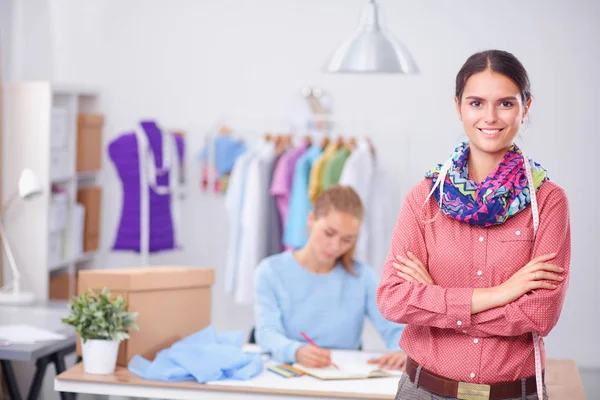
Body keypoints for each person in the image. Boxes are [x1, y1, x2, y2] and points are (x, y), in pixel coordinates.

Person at [376, 49, 570, 400]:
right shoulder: (425, 198)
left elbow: (540, 314)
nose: (490, 117)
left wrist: (436, 303)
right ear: (458, 107)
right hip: (423, 391)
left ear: (526, 107)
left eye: (506, 104)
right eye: (477, 103)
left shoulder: (548, 201)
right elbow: (393, 299)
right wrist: (500, 294)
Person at [254, 185, 406, 369]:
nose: (335, 246)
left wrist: (402, 350)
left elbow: (393, 327)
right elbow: (267, 332)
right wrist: (296, 351)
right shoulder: (271, 271)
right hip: (290, 370)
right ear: (311, 219)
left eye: (347, 239)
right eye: (329, 233)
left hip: (342, 373)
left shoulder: (362, 277)